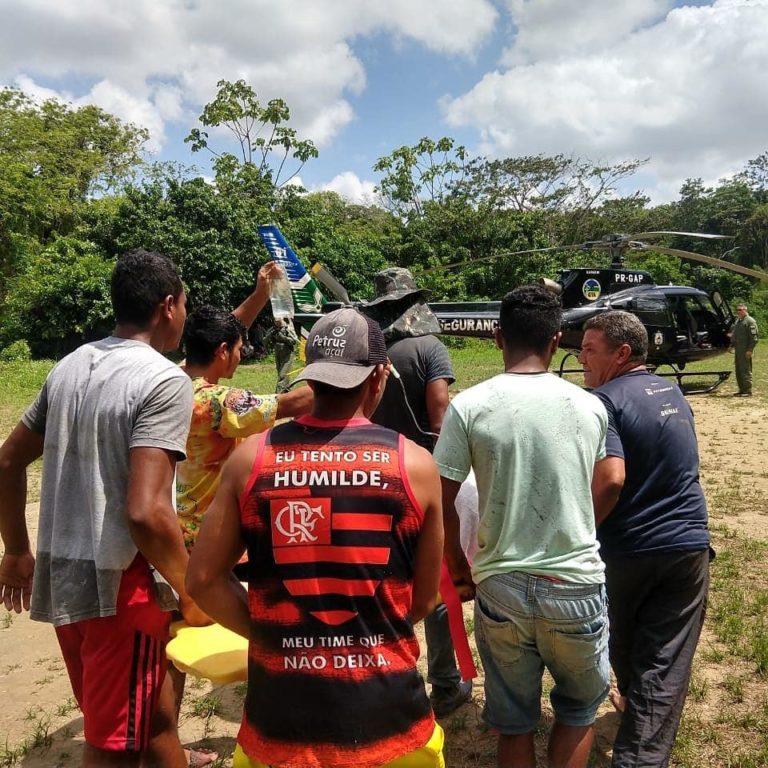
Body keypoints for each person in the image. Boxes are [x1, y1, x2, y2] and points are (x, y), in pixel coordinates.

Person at [186, 307, 446, 768]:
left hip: (281, 723)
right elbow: (424, 598)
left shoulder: (252, 459)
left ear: (310, 378)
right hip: (390, 721)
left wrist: (271, 634)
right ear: (379, 377)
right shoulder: (416, 465)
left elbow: (203, 578)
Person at [0, 250, 207, 768]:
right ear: (167, 306)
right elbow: (145, 512)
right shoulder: (163, 381)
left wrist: (17, 553)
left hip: (63, 572)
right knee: (112, 745)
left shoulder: (68, 367)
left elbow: (6, 461)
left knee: (152, 723)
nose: (184, 313)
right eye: (184, 303)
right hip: (123, 584)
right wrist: (191, 590)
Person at [434, 285, 612, 768]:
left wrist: (456, 564)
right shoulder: (591, 406)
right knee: (577, 711)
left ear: (496, 337)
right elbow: (607, 479)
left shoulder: (469, 405)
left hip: (500, 585)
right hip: (576, 583)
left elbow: (441, 497)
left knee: (512, 719)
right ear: (557, 340)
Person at [580, 311, 710, 768]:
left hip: (628, 548)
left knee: (641, 651)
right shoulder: (673, 391)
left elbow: (611, 480)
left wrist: (585, 529)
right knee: (659, 654)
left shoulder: (602, 401)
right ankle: (640, 710)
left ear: (622, 353)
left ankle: (638, 758)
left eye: (590, 348)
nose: (581, 356)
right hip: (688, 545)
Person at [362, 266, 471, 719]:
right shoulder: (430, 347)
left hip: (377, 474)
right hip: (421, 476)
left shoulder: (371, 355)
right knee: (441, 582)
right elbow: (440, 413)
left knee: (386, 582)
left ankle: (384, 674)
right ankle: (446, 682)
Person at [176, 263, 313, 550]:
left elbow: (224, 333)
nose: (242, 355)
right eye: (239, 349)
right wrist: (350, 375)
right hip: (211, 534)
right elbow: (291, 403)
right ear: (222, 351)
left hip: (181, 522)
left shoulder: (176, 378)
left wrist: (260, 294)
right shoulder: (219, 403)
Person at [731, 303, 759, 396]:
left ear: (745, 310)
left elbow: (754, 338)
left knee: (745, 370)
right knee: (738, 370)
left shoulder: (750, 321)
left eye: (740, 310)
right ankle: (742, 389)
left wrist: (750, 350)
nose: (738, 312)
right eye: (737, 310)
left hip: (745, 350)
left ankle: (747, 390)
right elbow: (735, 335)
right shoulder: (739, 321)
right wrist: (731, 345)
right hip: (738, 350)